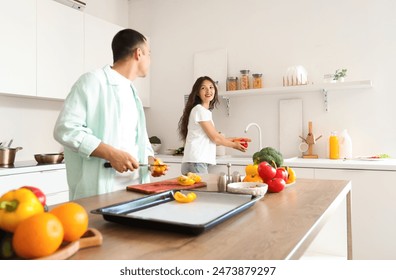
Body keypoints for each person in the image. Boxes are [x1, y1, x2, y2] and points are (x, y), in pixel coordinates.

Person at [53, 28, 165, 200]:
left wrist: (151, 161)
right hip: (100, 193)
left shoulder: (132, 93)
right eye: (149, 54)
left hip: (135, 191)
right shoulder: (92, 81)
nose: (150, 60)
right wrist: (111, 154)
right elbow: (66, 129)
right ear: (139, 53)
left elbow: (140, 140)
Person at [178, 76, 250, 175]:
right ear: (198, 93)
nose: (208, 91)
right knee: (201, 191)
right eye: (203, 88)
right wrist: (234, 145)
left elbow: (214, 139)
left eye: (211, 87)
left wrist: (235, 139)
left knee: (194, 191)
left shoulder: (203, 111)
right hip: (196, 163)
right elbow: (216, 139)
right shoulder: (200, 110)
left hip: (194, 162)